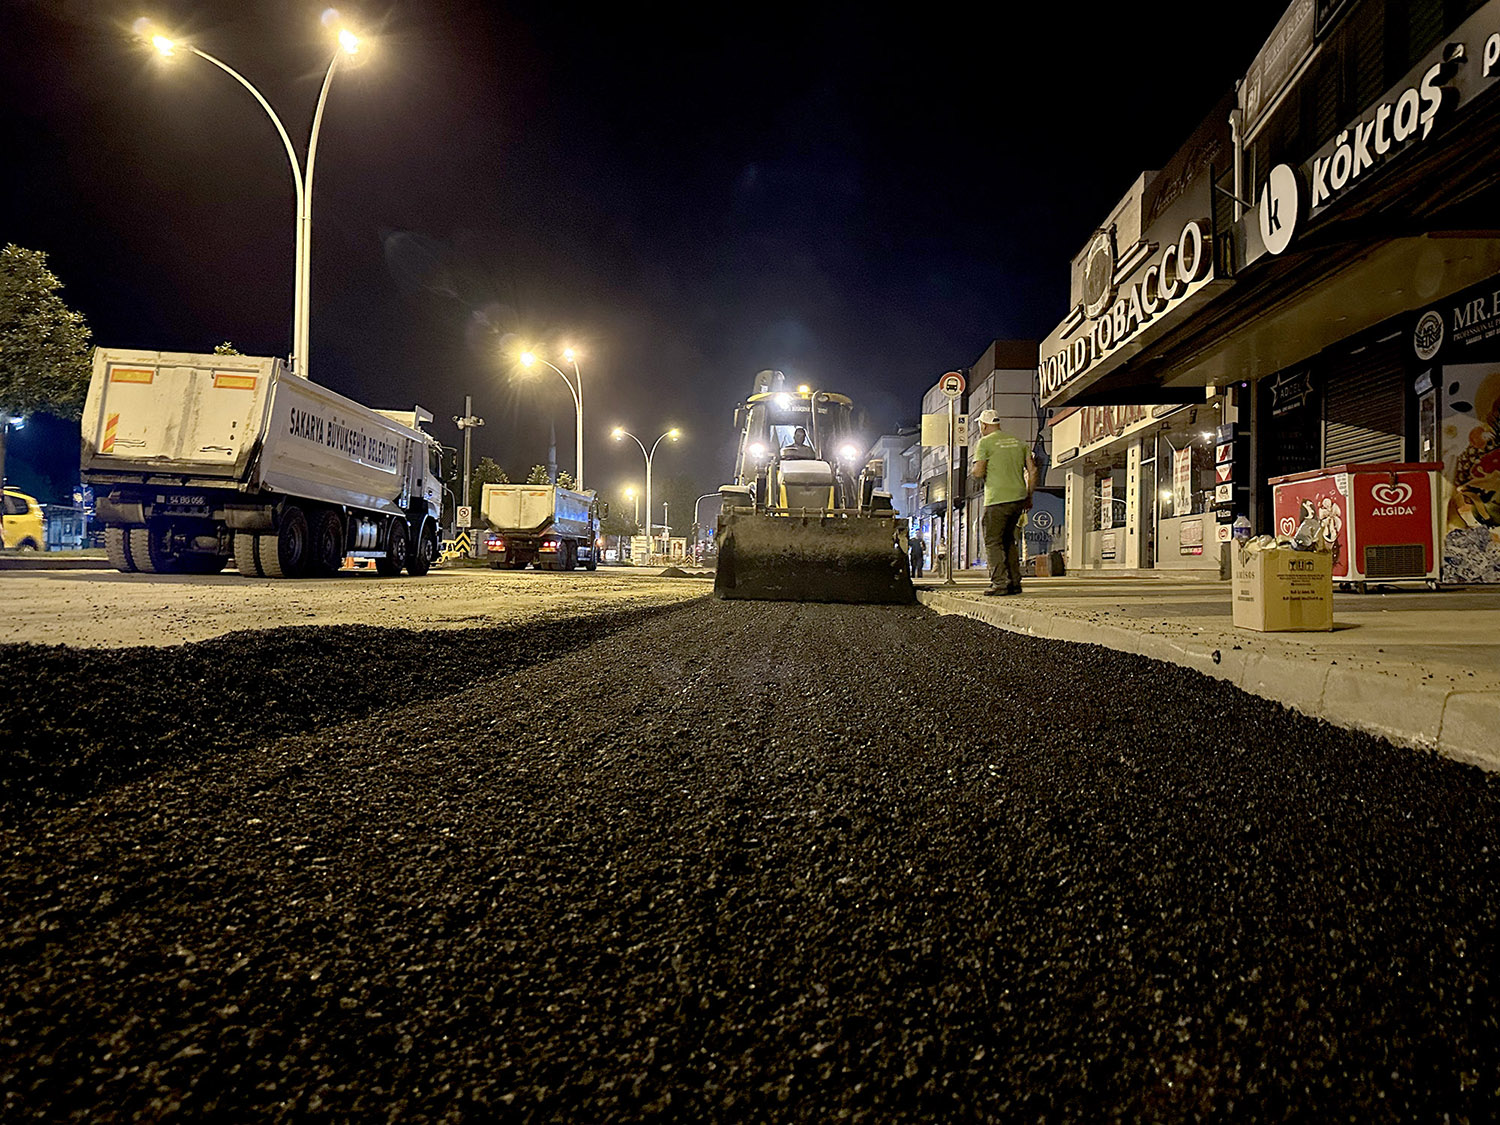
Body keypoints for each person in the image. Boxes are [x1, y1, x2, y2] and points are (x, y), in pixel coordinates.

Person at [970, 408, 1037, 596]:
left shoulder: (984, 443)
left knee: (993, 541)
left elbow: (979, 471)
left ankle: (999, 583)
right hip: (1018, 498)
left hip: (996, 499)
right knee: (1008, 540)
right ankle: (1015, 583)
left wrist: (975, 471)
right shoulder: (1019, 443)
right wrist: (1029, 495)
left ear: (983, 425)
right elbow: (1032, 471)